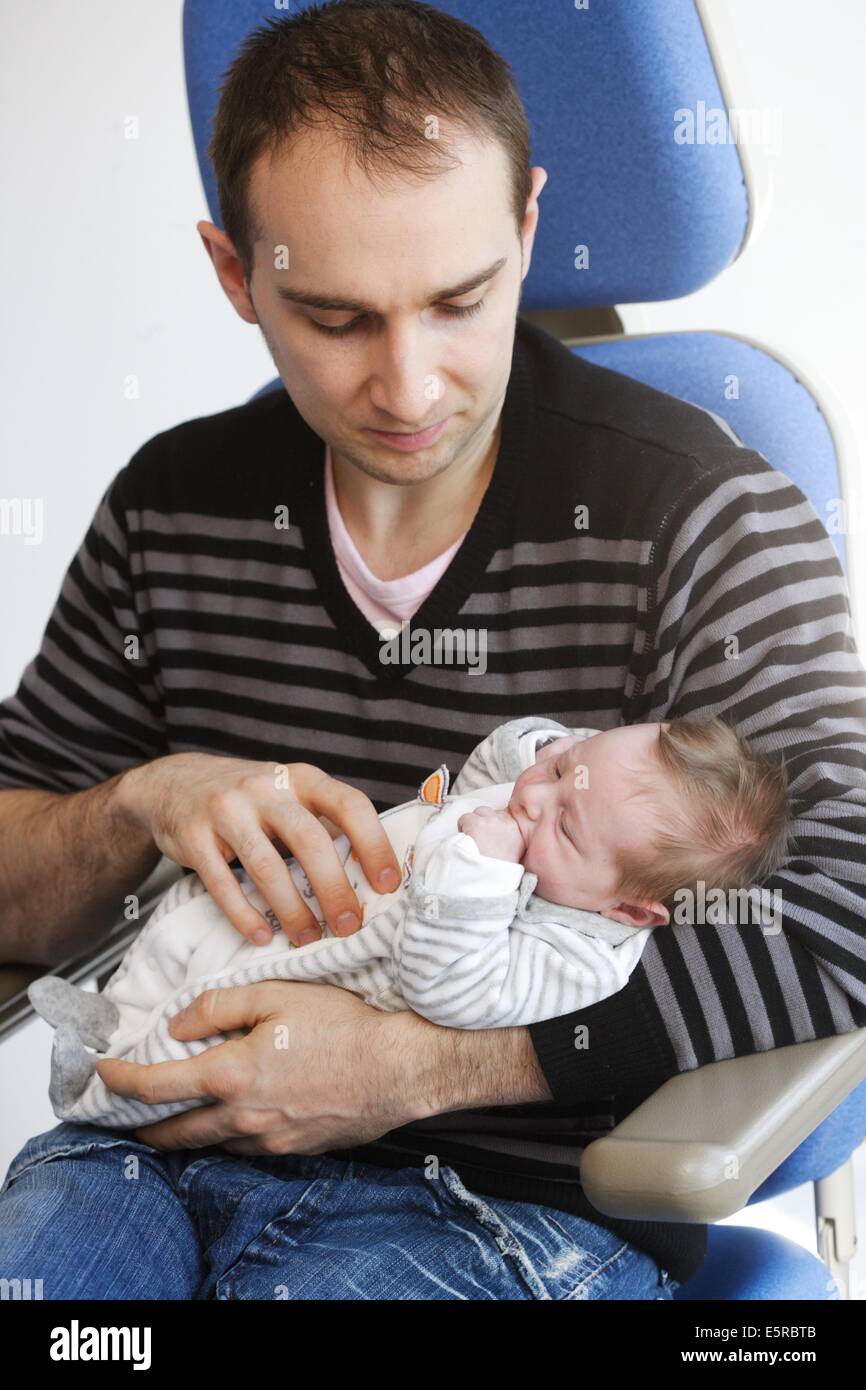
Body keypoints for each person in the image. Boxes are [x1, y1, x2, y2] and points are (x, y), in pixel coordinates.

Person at [1, 0, 865, 1300]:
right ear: (236, 273)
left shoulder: (705, 511)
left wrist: (407, 1064)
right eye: (334, 318)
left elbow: (845, 911)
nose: (408, 391)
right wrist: (136, 804)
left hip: (500, 1202)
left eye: (458, 302)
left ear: (523, 230)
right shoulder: (175, 507)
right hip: (139, 1156)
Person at [27, 714, 791, 1129]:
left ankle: (92, 1091)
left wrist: (480, 870)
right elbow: (490, 770)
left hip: (295, 988)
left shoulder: (580, 954)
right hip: (293, 903)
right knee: (182, 922)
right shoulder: (535, 805)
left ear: (629, 908)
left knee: (184, 1042)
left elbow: (450, 987)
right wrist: (540, 746)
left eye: (568, 822)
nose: (533, 800)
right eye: (563, 767)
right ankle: (104, 1012)